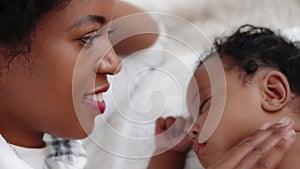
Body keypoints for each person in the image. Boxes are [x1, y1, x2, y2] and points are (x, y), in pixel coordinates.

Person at [0, 0, 292, 168]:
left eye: (109, 35)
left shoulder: (63, 115)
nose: (115, 64)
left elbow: (150, 39)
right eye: (87, 38)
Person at [148, 24, 299, 169]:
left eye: (205, 105)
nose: (191, 131)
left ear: (272, 93)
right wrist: (169, 153)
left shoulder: (291, 148)